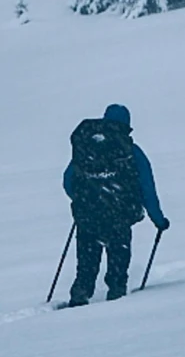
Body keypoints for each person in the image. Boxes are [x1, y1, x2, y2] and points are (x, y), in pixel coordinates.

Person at [62, 102, 169, 304]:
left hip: (87, 215)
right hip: (119, 215)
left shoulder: (86, 149)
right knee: (118, 259)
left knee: (86, 259)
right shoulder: (131, 152)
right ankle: (116, 296)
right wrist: (158, 219)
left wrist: (85, 200)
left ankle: (80, 293)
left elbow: (68, 181)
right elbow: (147, 188)